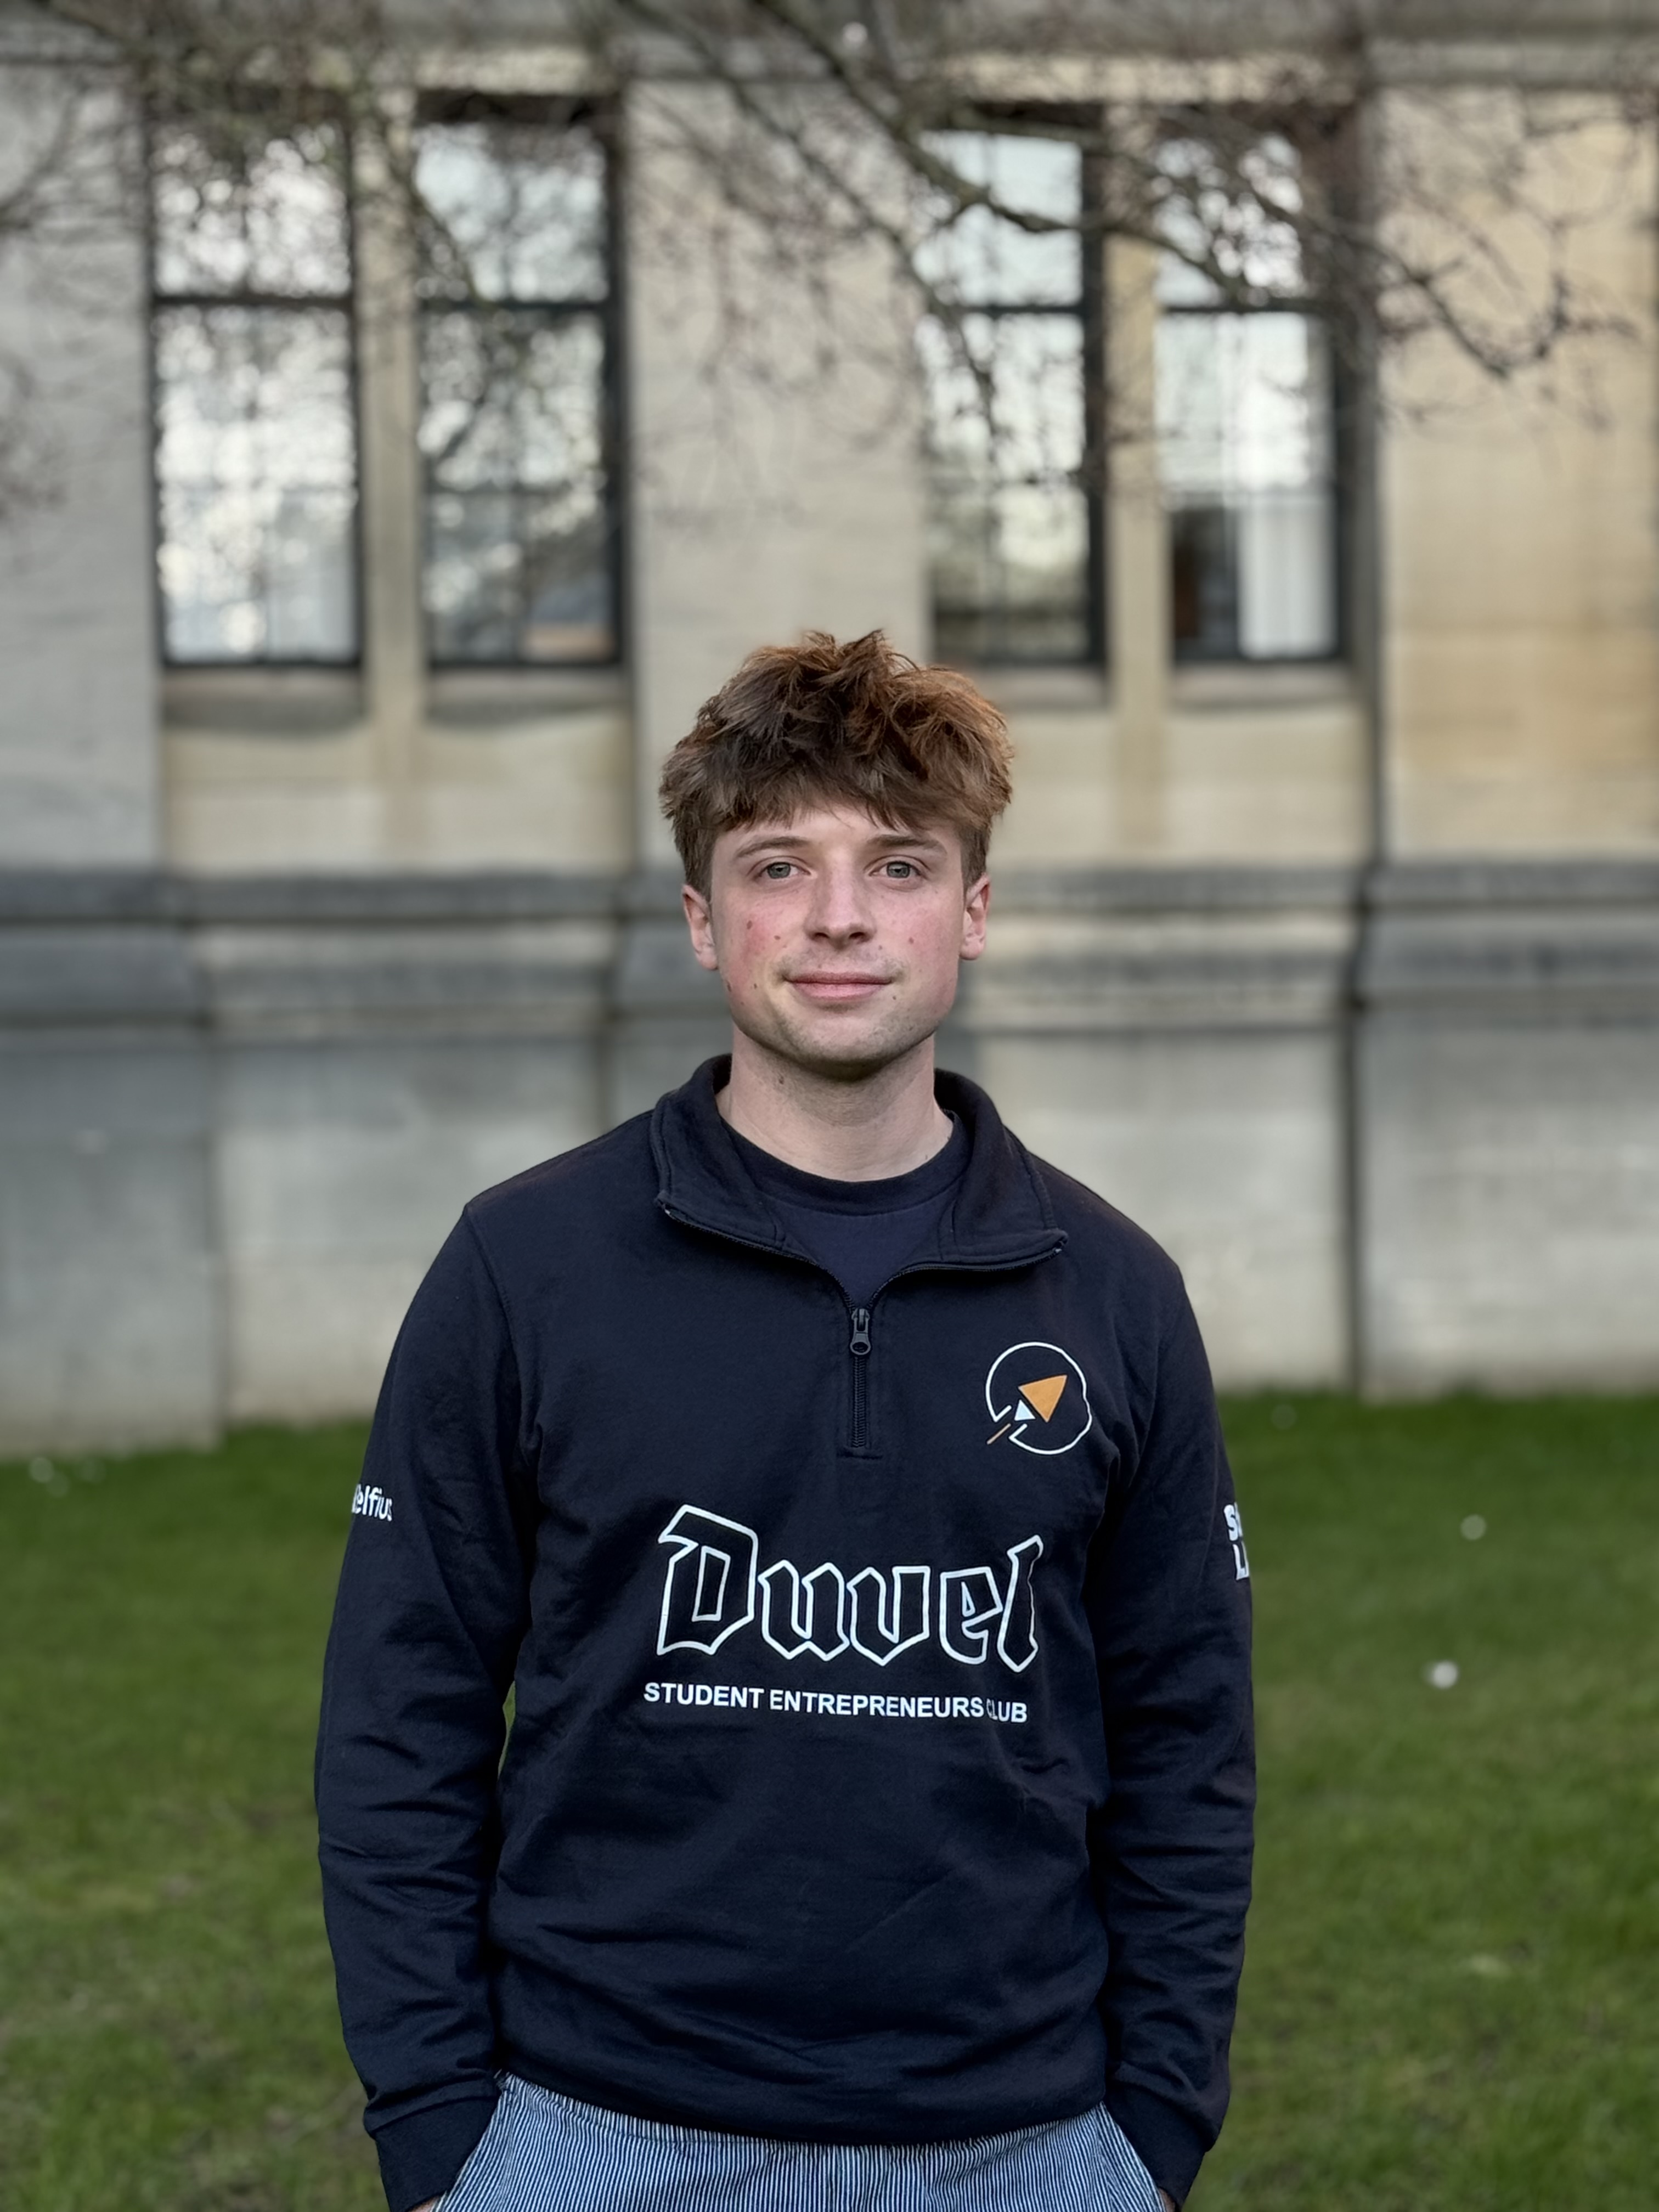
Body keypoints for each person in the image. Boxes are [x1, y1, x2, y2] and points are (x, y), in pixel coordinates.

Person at [315, 630, 1254, 2212]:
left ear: (972, 911)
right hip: (590, 2133)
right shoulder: (527, 1267)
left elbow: (1189, 1741)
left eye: (897, 864)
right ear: (702, 918)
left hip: (1026, 2145)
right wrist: (437, 2126)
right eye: (777, 865)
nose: (837, 917)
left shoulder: (1112, 1294)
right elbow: (400, 1714)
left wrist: (1151, 2126)